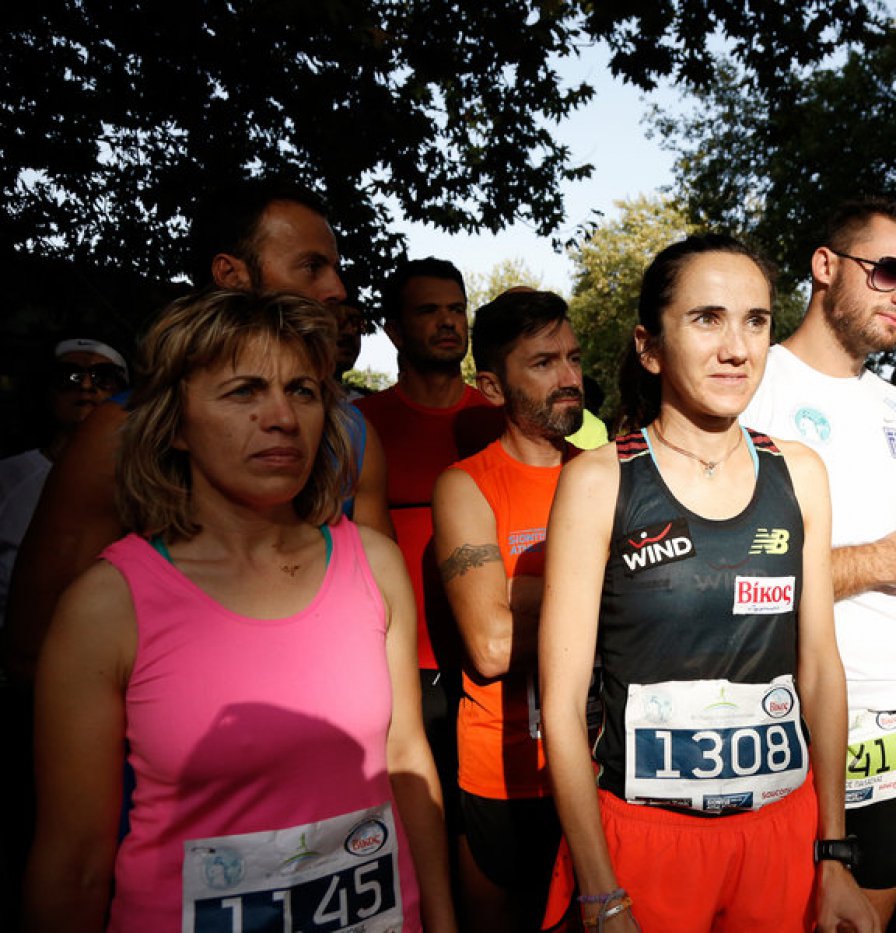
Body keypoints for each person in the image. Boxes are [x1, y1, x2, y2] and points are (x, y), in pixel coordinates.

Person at [22, 290, 454, 932]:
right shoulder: (106, 607)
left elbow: (407, 761)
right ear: (174, 423)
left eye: (302, 391)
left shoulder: (375, 565)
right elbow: (75, 865)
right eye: (244, 391)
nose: (282, 417)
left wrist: (441, 921)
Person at [540, 235, 877, 932]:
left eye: (756, 321)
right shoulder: (598, 481)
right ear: (649, 346)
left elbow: (820, 667)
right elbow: (563, 706)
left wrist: (835, 852)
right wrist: (601, 893)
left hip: (782, 834)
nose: (737, 348)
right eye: (706, 319)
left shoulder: (801, 473)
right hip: (644, 844)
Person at [2, 177, 393, 684]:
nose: (336, 289)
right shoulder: (119, 434)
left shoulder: (354, 436)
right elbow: (35, 649)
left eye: (300, 393)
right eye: (311, 266)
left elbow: (379, 622)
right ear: (230, 274)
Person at [742, 196, 896, 925]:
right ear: (825, 265)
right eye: (890, 270)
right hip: (773, 711)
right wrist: (878, 560)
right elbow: (726, 574)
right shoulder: (752, 385)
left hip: (891, 725)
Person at [431, 290, 584, 931]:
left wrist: (519, 590)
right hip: (506, 774)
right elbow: (492, 647)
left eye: (573, 358)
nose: (569, 377)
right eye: (543, 363)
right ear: (492, 386)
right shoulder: (465, 484)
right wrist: (603, 589)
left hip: (601, 768)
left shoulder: (607, 475)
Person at [356, 256, 505, 813]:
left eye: (456, 309)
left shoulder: (499, 419)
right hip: (397, 664)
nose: (448, 322)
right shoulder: (360, 424)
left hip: (492, 659)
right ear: (394, 330)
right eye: (428, 311)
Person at [0, 339, 128, 629]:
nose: (86, 386)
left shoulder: (148, 484)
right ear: (47, 392)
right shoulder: (7, 477)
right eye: (69, 377)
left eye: (104, 378)